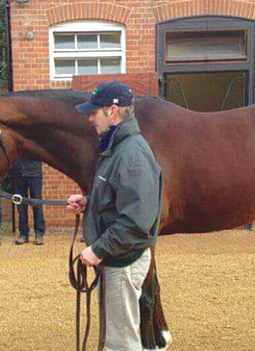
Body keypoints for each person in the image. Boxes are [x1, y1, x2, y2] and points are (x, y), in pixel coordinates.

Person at [66, 81, 163, 351]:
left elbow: (135, 223)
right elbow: (120, 198)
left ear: (112, 111)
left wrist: (98, 249)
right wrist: (89, 203)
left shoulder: (131, 154)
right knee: (116, 338)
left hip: (123, 259)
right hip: (118, 258)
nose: (90, 119)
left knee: (121, 344)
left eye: (94, 112)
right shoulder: (118, 148)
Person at [12, 157, 46, 245]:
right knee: (21, 206)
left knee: (36, 204)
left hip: (34, 172)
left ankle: (39, 233)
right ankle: (23, 233)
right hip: (19, 172)